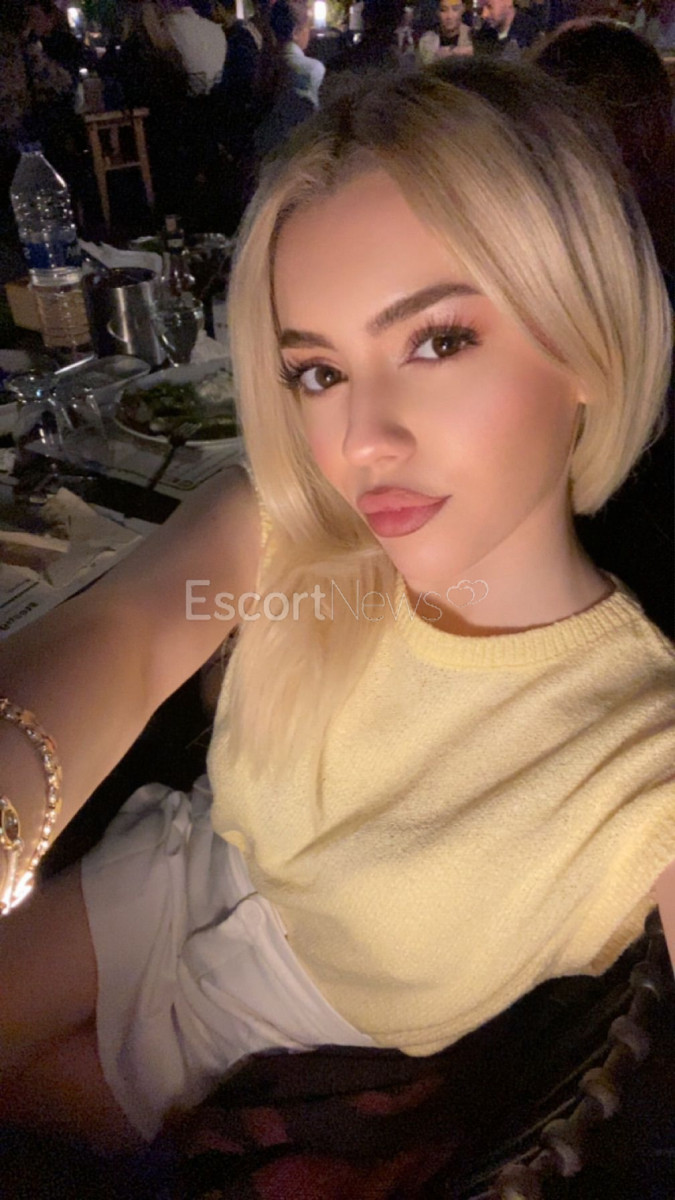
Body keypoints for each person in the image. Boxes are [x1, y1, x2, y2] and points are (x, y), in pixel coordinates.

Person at [1, 60, 674, 1160]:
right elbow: (129, 633)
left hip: (234, 1051)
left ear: (586, 339)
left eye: (437, 341)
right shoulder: (300, 532)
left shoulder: (642, 761)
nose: (362, 442)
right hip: (162, 877)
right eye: (318, 373)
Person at [269, 0, 326, 108]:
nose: (309, 32)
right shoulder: (313, 69)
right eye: (308, 26)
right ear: (295, 32)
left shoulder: (265, 64)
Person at [474, 0, 541, 54]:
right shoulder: (482, 35)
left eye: (489, 7)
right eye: (481, 9)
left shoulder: (531, 34)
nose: (484, 15)